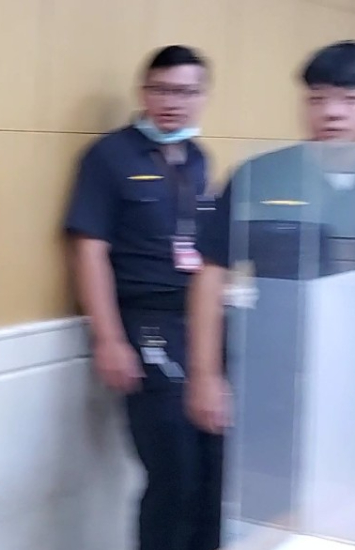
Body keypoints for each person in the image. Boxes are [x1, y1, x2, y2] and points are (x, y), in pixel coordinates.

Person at [64, 45, 221, 550]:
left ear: (202, 97)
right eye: (162, 90)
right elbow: (89, 250)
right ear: (144, 92)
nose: (173, 102)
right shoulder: (110, 156)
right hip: (146, 324)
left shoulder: (199, 160)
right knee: (174, 473)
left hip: (198, 323)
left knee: (215, 475)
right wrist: (109, 339)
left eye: (186, 92)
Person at [187, 40, 355, 436]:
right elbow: (211, 275)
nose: (331, 112)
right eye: (317, 99)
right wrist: (205, 375)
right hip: (272, 372)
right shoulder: (259, 176)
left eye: (349, 100)